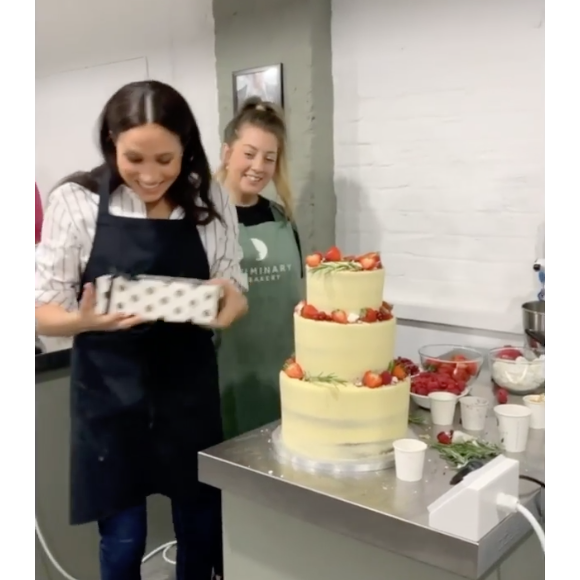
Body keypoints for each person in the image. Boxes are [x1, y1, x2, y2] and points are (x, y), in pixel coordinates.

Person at [35, 80, 248, 580]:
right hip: (110, 398)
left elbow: (234, 285)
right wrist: (85, 320)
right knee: (124, 536)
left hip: (187, 388)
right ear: (111, 141)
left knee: (200, 524)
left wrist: (228, 305)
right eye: (134, 159)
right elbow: (43, 310)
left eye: (166, 160)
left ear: (186, 149)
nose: (150, 176)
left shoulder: (210, 197)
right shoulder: (76, 200)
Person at [215, 98, 302, 440]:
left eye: (269, 157)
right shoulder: (203, 220)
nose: (258, 166)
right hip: (224, 383)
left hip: (284, 378)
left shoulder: (283, 219)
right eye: (248, 153)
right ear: (227, 153)